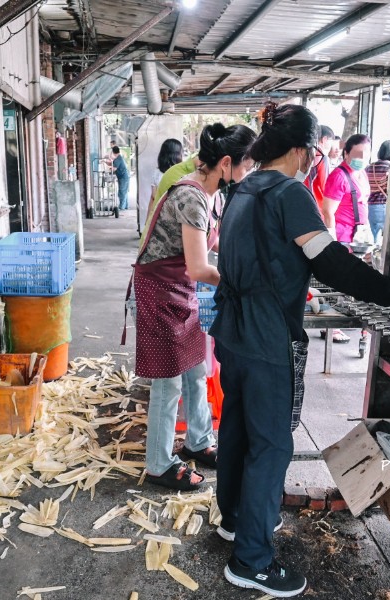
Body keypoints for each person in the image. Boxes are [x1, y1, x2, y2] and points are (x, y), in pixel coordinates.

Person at [210, 101, 390, 598]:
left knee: (237, 429)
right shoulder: (290, 193)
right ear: (303, 150)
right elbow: (331, 263)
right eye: (314, 152)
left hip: (233, 333)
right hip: (265, 338)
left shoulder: (243, 188)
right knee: (272, 445)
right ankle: (252, 562)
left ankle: (237, 521)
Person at [130, 123, 256, 493]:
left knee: (197, 371)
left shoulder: (212, 193)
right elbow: (201, 267)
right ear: (227, 163)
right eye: (247, 167)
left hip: (181, 287)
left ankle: (199, 442)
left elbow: (201, 255)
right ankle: (158, 463)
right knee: (168, 384)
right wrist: (244, 283)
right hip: (159, 289)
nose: (248, 175)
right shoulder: (192, 197)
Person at [320, 134, 373, 344]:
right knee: (336, 284)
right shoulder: (339, 176)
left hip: (358, 238)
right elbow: (327, 211)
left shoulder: (361, 174)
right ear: (346, 153)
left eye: (366, 154)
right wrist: (332, 240)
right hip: (342, 237)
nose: (363, 157)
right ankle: (330, 327)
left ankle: (351, 326)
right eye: (358, 153)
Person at [144, 139, 184, 232]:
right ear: (178, 154)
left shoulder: (157, 173)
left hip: (159, 219)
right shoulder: (183, 174)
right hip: (178, 219)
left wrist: (147, 222)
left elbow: (153, 198)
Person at [303, 124, 335, 215]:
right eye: (330, 140)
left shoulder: (303, 154)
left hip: (299, 199)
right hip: (314, 204)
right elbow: (325, 186)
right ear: (324, 139)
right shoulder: (322, 157)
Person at [366, 140, 390, 242]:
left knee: (374, 236)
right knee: (385, 238)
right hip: (383, 206)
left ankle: (372, 256)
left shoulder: (370, 167)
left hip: (370, 207)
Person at [104, 146, 130, 210]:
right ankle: (125, 206)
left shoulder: (118, 159)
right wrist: (104, 161)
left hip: (123, 177)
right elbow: (111, 164)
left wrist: (109, 169)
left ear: (113, 152)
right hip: (124, 177)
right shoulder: (118, 158)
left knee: (122, 192)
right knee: (124, 192)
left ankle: (122, 207)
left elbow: (114, 168)